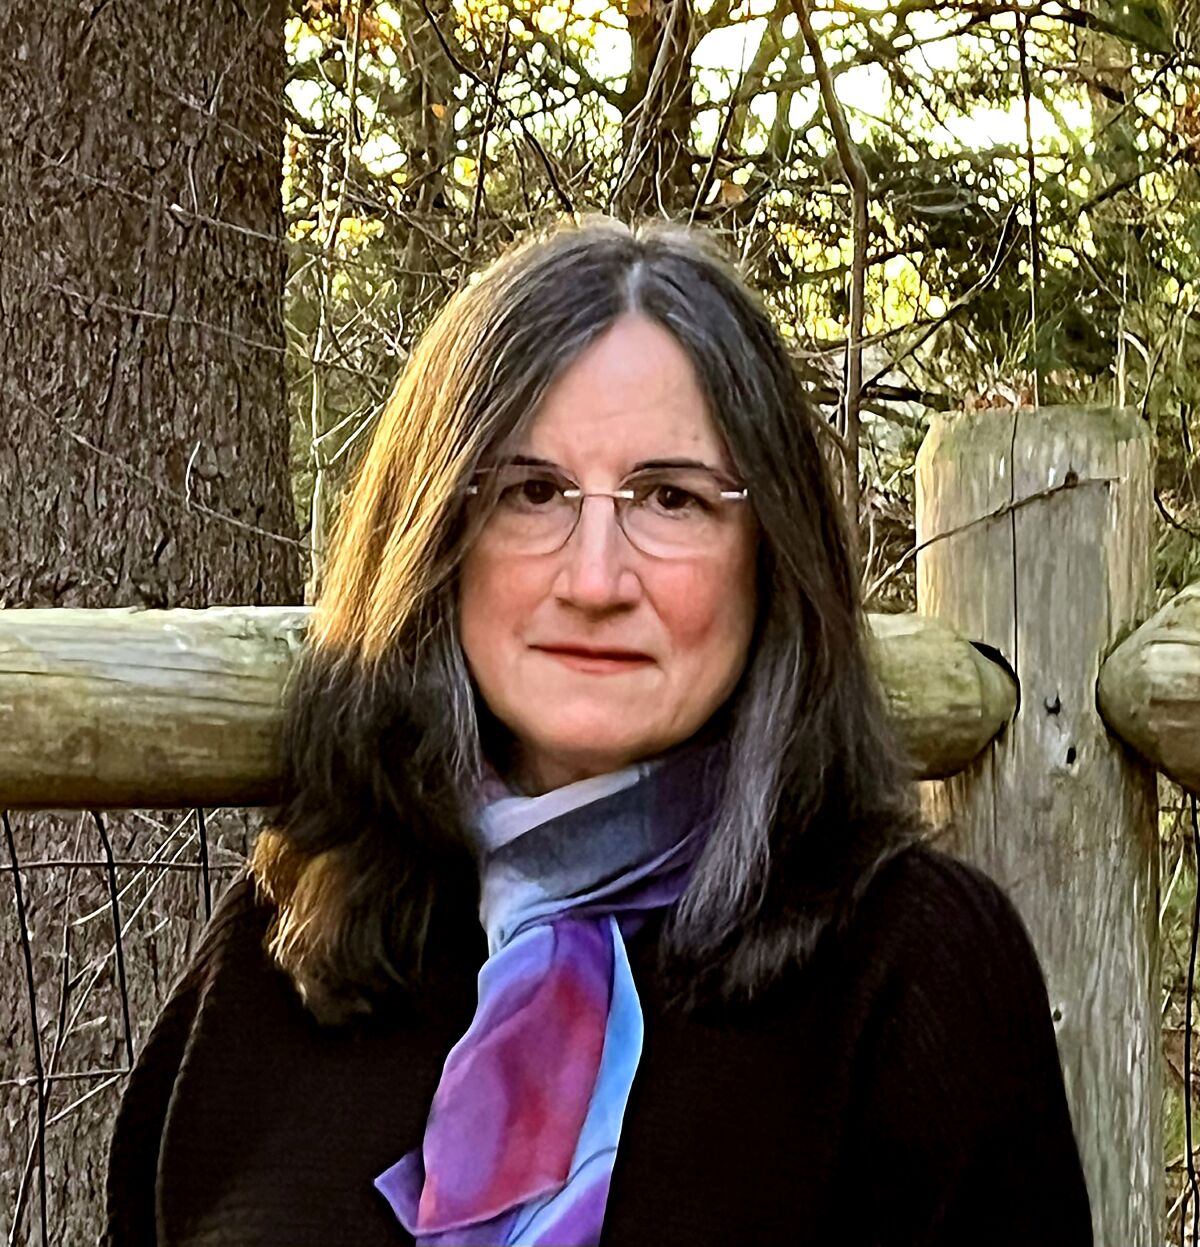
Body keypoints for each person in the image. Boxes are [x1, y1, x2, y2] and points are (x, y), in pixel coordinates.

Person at [104, 216, 1093, 1246]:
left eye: (670, 497)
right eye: (532, 492)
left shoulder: (908, 974)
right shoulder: (290, 942)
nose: (593, 578)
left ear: (772, 551)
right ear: (438, 535)